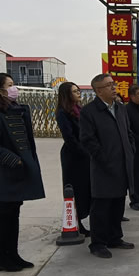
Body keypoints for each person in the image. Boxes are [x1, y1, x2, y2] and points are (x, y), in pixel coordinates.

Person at [0, 73, 45, 271]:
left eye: (13, 84)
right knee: (5, 215)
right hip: (7, 173)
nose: (13, 88)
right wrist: (14, 160)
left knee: (14, 214)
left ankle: (14, 255)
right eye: (9, 85)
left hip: (21, 170)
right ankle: (3, 259)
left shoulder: (17, 110)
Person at [79, 74, 135, 259]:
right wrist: (104, 159)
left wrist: (130, 151)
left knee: (118, 203)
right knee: (101, 206)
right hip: (103, 167)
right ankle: (98, 243)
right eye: (109, 85)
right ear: (98, 91)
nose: (113, 87)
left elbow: (128, 132)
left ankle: (114, 238)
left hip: (122, 164)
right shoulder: (89, 112)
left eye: (113, 84)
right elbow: (88, 140)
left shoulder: (120, 108)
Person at [55, 82, 91, 236]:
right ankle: (76, 223)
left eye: (78, 90)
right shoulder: (63, 113)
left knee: (86, 188)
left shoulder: (79, 110)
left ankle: (84, 218)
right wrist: (83, 151)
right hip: (73, 156)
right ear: (67, 95)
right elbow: (69, 137)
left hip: (85, 154)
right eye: (75, 91)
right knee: (75, 189)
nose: (78, 93)